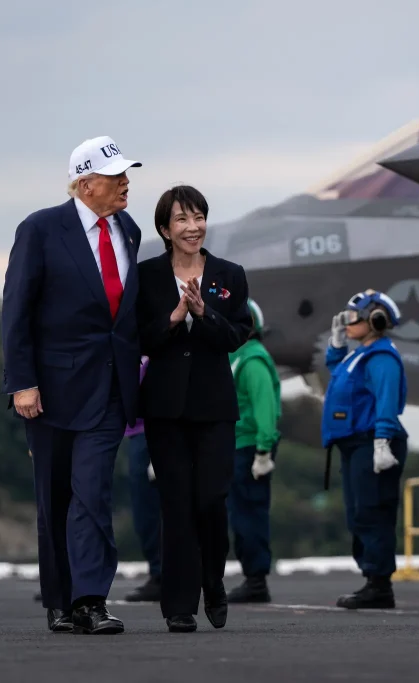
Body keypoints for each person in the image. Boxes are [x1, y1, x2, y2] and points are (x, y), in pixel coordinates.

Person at [1, 136, 143, 635]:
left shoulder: (129, 229)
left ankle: (91, 600)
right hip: (51, 391)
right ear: (85, 183)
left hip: (109, 389)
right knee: (54, 497)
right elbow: (16, 310)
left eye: (128, 174)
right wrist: (22, 382)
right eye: (116, 175)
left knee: (93, 494)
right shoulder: (40, 229)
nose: (126, 182)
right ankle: (59, 602)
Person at [136, 184, 253, 633]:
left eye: (199, 217)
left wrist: (203, 313)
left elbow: (236, 335)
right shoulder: (146, 275)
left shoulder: (229, 273)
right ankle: (179, 606)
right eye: (182, 220)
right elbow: (138, 337)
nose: (193, 227)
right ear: (165, 229)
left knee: (210, 500)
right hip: (165, 408)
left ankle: (214, 582)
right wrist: (172, 317)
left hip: (214, 407)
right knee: (176, 506)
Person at [321, 289, 408, 609]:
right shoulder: (361, 353)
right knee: (359, 513)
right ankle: (372, 579)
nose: (346, 322)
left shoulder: (382, 356)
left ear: (375, 320)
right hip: (356, 443)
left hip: (372, 440)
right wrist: (336, 344)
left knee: (373, 512)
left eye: (353, 317)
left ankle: (379, 583)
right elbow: (339, 373)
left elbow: (386, 401)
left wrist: (382, 441)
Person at [226, 298, 282, 603]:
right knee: (240, 514)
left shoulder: (252, 359)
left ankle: (256, 580)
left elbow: (265, 408)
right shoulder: (237, 355)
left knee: (250, 514)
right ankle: (252, 576)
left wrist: (263, 451)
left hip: (250, 447)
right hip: (237, 445)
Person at [123, 356, 163, 602]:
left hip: (150, 436)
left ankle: (161, 573)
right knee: (143, 510)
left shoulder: (153, 362)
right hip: (137, 435)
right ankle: (158, 570)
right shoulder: (140, 359)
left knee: (150, 510)